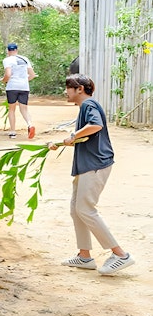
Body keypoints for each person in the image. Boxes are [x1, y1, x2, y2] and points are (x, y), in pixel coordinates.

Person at [49, 74, 135, 275]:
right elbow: (85, 136)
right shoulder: (84, 108)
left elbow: (96, 125)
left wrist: (72, 136)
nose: (66, 92)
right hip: (86, 165)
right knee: (76, 209)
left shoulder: (89, 105)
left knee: (85, 209)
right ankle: (84, 256)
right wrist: (61, 142)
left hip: (95, 164)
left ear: (79, 89)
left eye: (68, 88)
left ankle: (120, 254)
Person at [1, 42, 36, 139]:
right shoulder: (25, 59)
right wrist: (24, 80)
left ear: (8, 51)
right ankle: (30, 124)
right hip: (24, 87)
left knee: (12, 109)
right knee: (24, 109)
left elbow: (8, 74)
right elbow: (32, 75)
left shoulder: (7, 60)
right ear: (16, 50)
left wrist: (3, 81)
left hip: (12, 87)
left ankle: (12, 132)